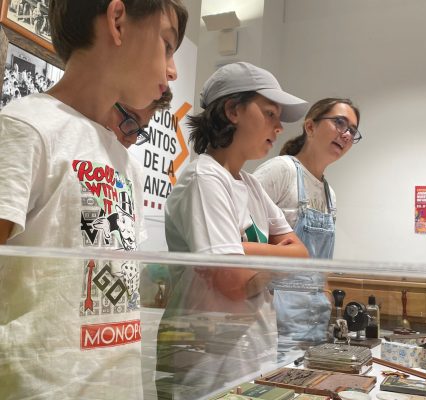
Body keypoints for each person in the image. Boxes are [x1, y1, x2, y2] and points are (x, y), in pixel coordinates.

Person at [0, 1, 188, 399]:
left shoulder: (126, 164)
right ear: (118, 21)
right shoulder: (28, 129)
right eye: (167, 46)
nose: (173, 72)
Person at [157, 62, 309, 399]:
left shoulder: (250, 184)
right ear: (232, 110)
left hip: (250, 358)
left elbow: (301, 254)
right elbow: (231, 284)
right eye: (270, 113)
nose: (279, 127)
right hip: (206, 368)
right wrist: (275, 258)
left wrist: (244, 250)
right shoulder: (205, 178)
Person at [253, 97, 362, 353]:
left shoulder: (329, 193)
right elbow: (239, 235)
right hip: (273, 328)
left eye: (353, 130)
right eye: (339, 123)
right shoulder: (281, 171)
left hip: (314, 329)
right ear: (310, 126)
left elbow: (319, 268)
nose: (345, 134)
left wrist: (324, 298)